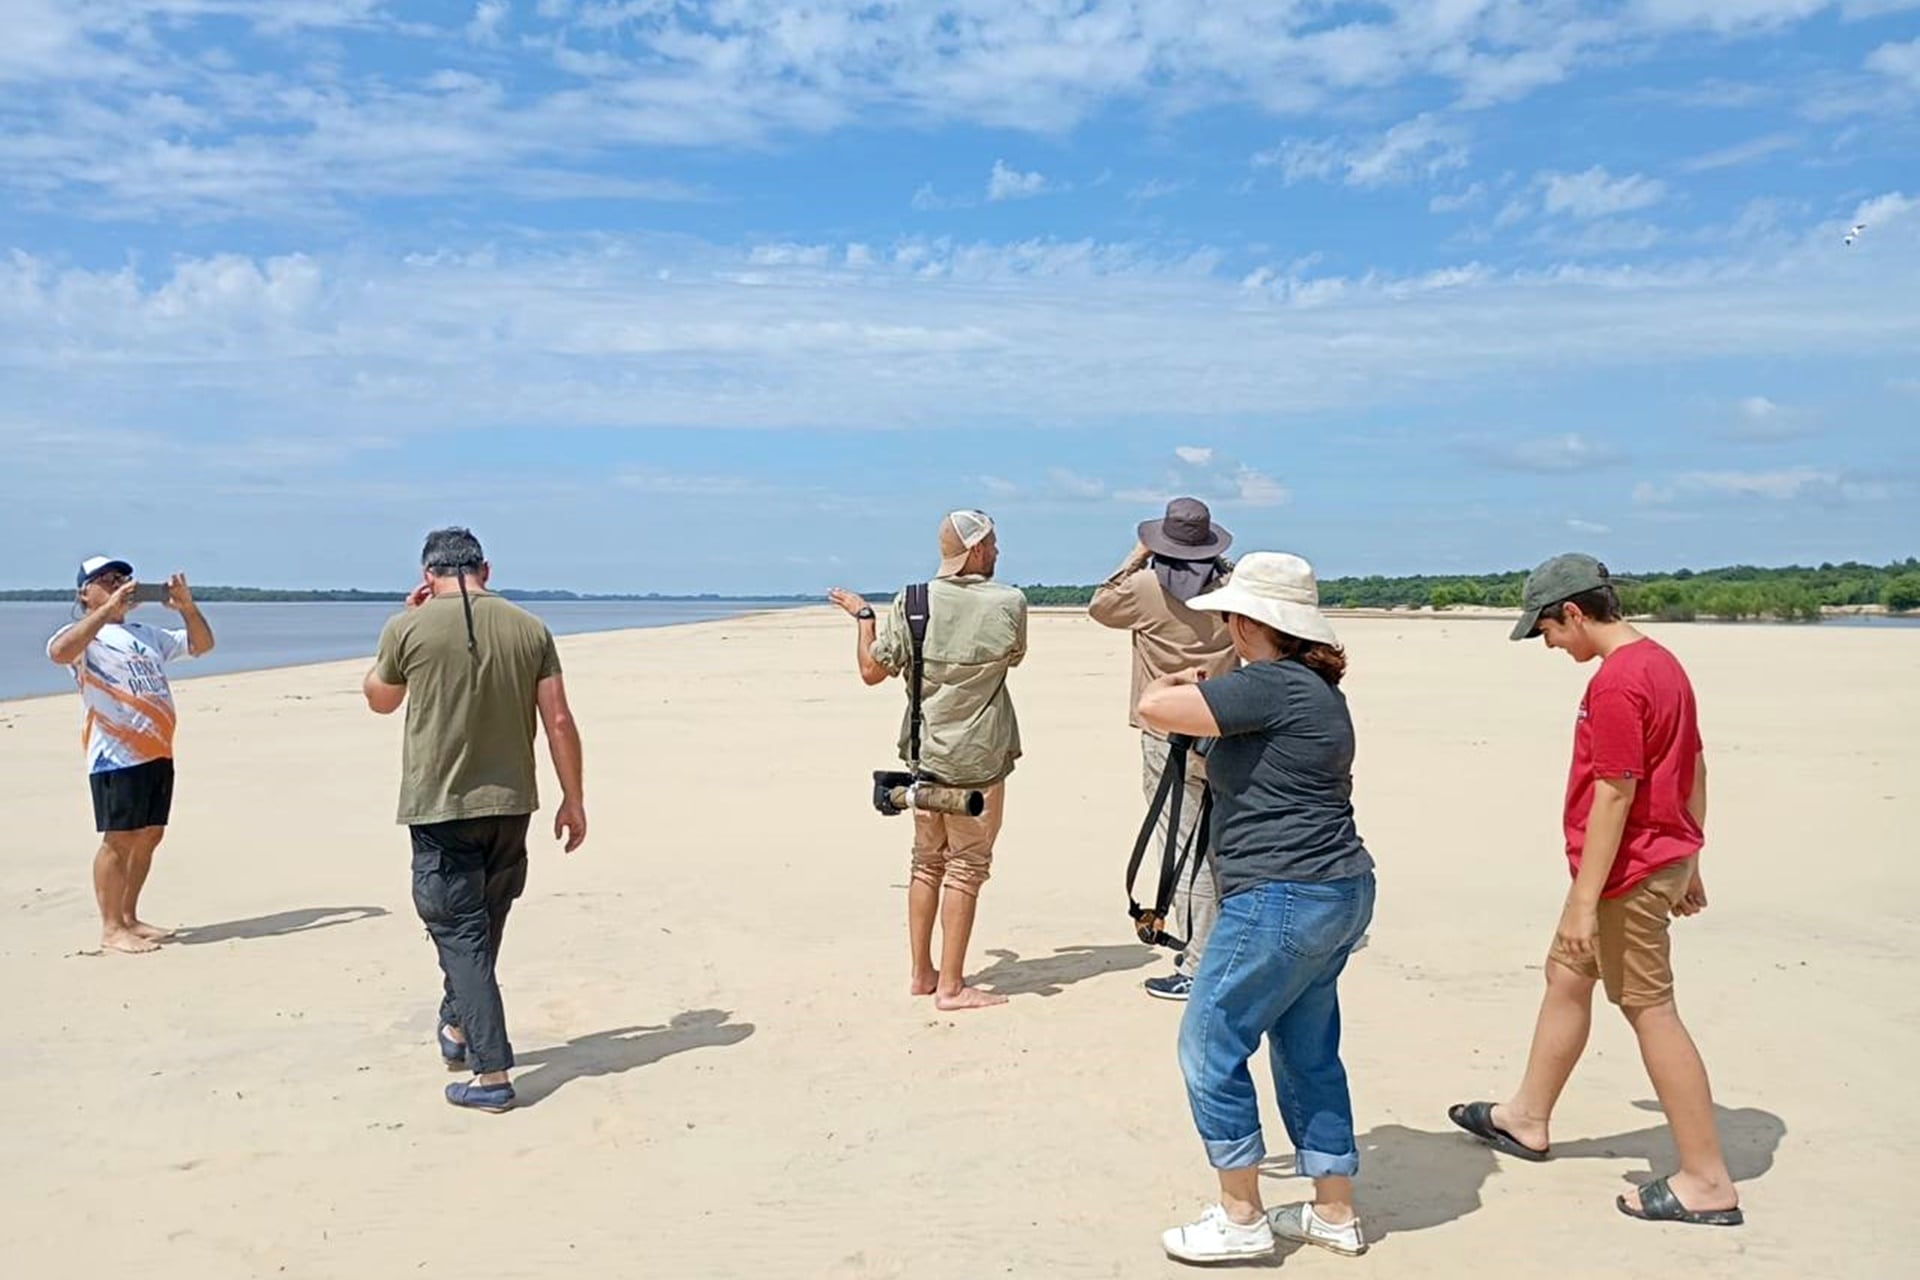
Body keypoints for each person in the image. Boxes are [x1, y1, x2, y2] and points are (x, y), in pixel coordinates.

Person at [1448, 555, 1742, 1227]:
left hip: (1624, 873)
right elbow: (1692, 762)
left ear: (1574, 612)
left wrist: (1587, 899)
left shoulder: (1617, 683)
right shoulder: (1663, 662)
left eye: (1548, 630)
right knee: (1565, 975)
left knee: (1650, 1008)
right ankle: (1526, 1117)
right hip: (1653, 857)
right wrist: (1690, 857)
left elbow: (1616, 792)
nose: (1550, 645)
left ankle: (1706, 1179)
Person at [1136, 552, 1377, 1264]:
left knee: (1209, 1045)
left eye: (1231, 616)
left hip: (1282, 894)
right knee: (1308, 1051)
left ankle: (1242, 1214)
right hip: (1337, 888)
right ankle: (1333, 1211)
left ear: (1251, 621)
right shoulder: (1312, 690)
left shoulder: (1271, 686)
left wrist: (1177, 678)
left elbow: (1153, 708)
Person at [363, 527, 587, 1114]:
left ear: (426, 574)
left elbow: (380, 699)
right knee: (480, 930)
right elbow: (559, 720)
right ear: (485, 569)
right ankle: (457, 1026)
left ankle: (491, 1075)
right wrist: (574, 798)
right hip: (512, 805)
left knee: (462, 936)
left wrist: (402, 623)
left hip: (441, 806)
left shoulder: (406, 627)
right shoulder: (530, 627)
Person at [828, 509, 1026, 1013]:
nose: (999, 552)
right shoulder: (1009, 602)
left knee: (926, 861)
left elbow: (872, 671)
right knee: (966, 867)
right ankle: (952, 987)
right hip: (980, 757)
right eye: (994, 544)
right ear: (977, 550)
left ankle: (922, 973)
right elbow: (1015, 656)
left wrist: (864, 619)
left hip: (924, 753)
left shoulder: (912, 601)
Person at [1089, 497, 1238, 1000]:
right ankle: (1218, 945)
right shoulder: (1231, 590)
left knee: (1182, 851)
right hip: (1227, 727)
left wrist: (1134, 556)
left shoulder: (1145, 589)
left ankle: (1199, 965)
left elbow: (1100, 604)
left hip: (1166, 731)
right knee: (1219, 847)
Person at [46, 557, 215, 955]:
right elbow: (58, 653)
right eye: (106, 580)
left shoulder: (147, 633)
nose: (119, 584)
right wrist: (106, 610)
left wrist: (188, 608)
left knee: (150, 836)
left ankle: (130, 917)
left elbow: (201, 646)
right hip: (115, 756)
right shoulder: (85, 637)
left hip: (158, 751)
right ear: (84, 594)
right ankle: (110, 927)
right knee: (119, 840)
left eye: (122, 578)